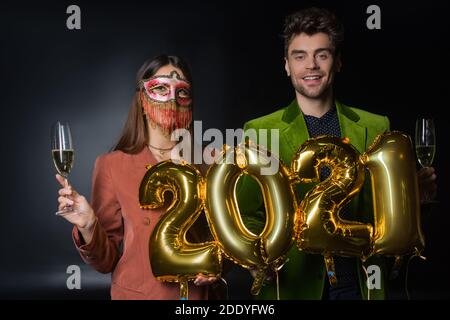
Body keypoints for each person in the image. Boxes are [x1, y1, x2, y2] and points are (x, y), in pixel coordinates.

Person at [237, 7, 437, 300]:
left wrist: (414, 204)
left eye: (322, 54)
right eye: (299, 56)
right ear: (286, 65)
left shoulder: (376, 126)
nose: (311, 66)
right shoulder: (258, 130)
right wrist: (254, 261)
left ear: (338, 62)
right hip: (294, 286)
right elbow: (248, 216)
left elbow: (388, 217)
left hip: (359, 284)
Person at [55, 55, 219, 299]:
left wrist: (218, 265)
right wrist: (89, 225)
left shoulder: (210, 161)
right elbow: (105, 261)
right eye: (161, 88)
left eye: (182, 91)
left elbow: (225, 237)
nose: (172, 99)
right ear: (142, 100)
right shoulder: (112, 165)